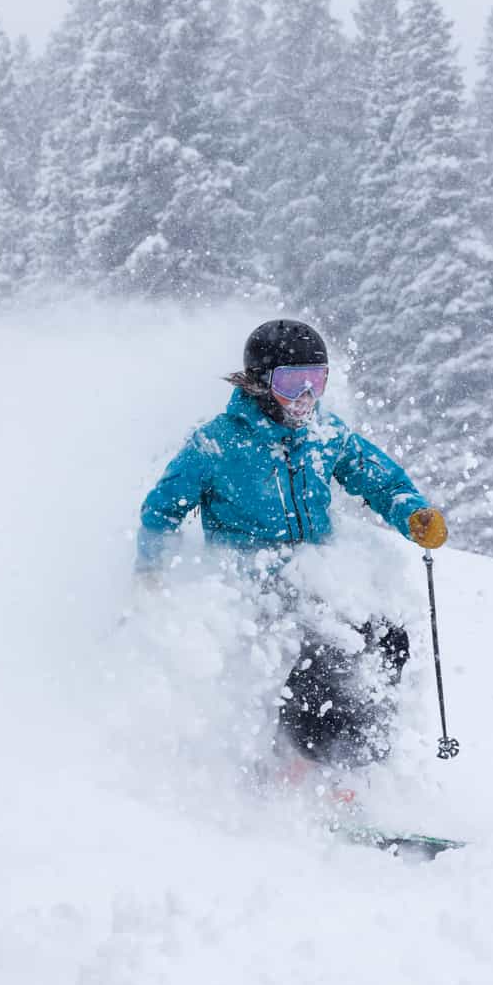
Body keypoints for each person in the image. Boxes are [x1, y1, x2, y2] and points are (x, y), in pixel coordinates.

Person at [137, 318, 448, 785]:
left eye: (316, 380)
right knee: (325, 655)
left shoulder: (324, 434)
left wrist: (412, 513)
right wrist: (152, 575)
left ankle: (361, 764)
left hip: (316, 570)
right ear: (261, 383)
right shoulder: (216, 444)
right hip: (250, 580)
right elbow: (160, 512)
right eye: (291, 382)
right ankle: (298, 766)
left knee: (387, 640)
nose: (305, 396)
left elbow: (376, 477)